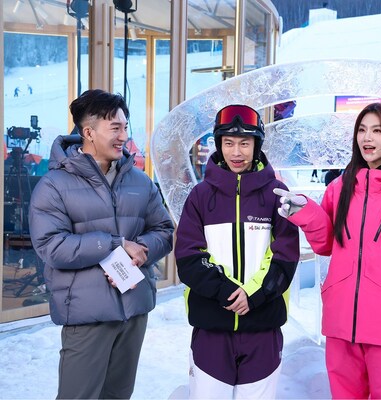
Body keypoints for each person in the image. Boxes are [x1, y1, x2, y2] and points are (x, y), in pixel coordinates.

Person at [274, 102, 381, 399]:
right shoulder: (339, 188)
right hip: (341, 326)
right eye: (362, 130)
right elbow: (327, 243)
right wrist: (306, 213)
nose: (367, 138)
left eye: (377, 131)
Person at [28, 89, 174, 399]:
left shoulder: (140, 182)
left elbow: (163, 230)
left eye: (125, 127)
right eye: (115, 128)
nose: (124, 136)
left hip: (134, 310)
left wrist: (141, 252)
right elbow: (52, 247)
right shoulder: (54, 185)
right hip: (87, 314)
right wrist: (115, 244)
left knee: (118, 396)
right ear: (89, 132)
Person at [175, 104, 300, 399]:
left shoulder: (277, 195)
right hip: (212, 327)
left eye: (245, 143)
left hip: (263, 327)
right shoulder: (200, 196)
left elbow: (285, 256)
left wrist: (253, 295)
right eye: (228, 143)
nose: (236, 152)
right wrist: (228, 292)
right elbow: (189, 256)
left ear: (256, 146)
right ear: (219, 145)